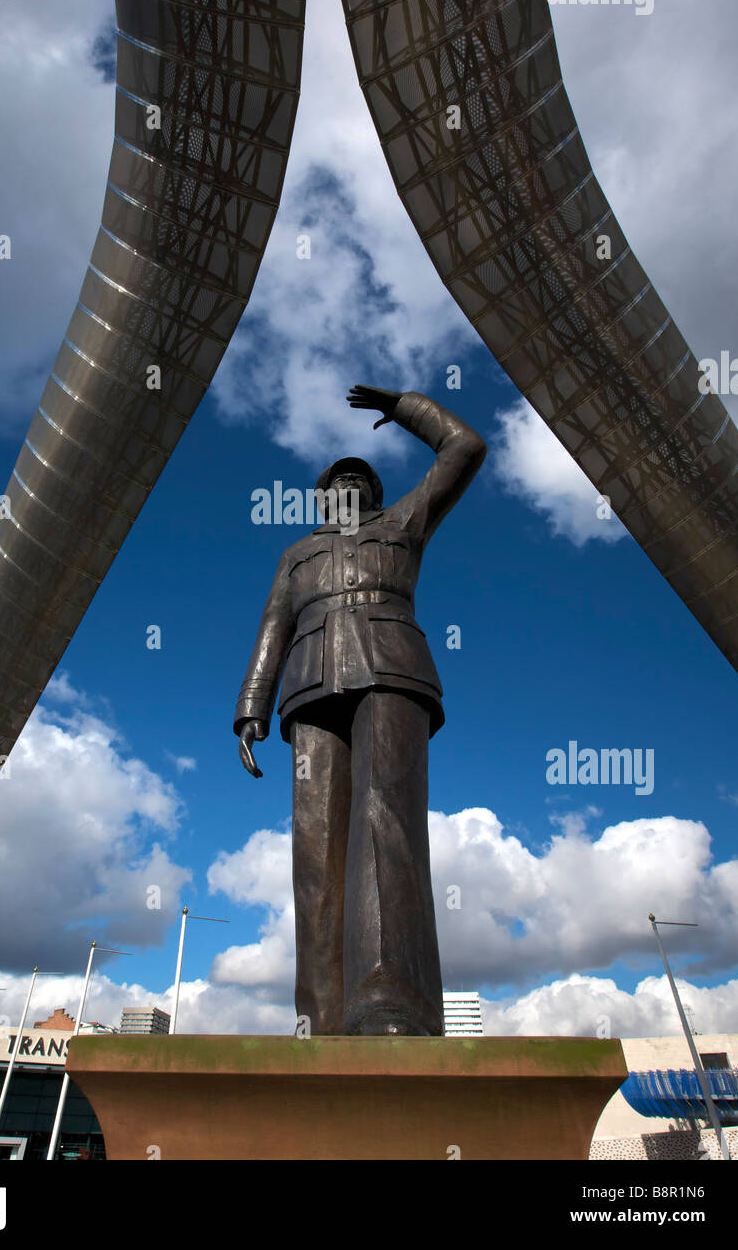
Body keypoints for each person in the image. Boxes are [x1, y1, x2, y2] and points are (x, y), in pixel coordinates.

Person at [234, 383, 486, 1036]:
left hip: (391, 671)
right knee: (314, 852)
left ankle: (388, 1004)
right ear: (321, 498)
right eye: (336, 481)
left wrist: (406, 408)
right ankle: (318, 1016)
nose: (348, 485)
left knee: (385, 823)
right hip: (310, 686)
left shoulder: (404, 522)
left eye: (358, 478)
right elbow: (272, 626)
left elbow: (464, 447)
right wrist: (250, 708)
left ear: (374, 494)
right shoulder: (297, 555)